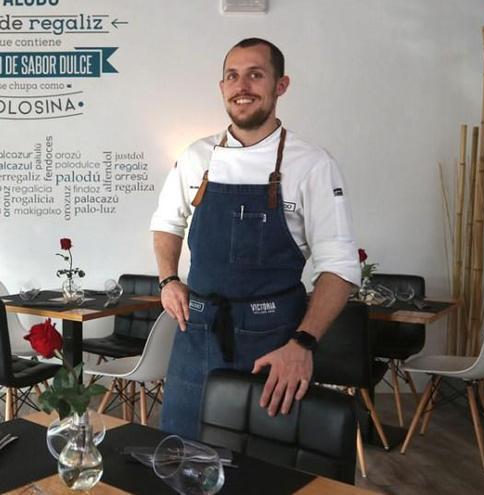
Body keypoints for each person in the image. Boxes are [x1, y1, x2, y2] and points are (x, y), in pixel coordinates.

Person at [151, 38, 358, 439]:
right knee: (181, 454)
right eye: (232, 75)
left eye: (255, 74)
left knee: (264, 467)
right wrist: (168, 279)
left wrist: (303, 344)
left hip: (275, 342)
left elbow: (340, 266)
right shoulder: (196, 156)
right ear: (222, 86)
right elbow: (166, 223)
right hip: (197, 334)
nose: (241, 85)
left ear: (281, 85)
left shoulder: (312, 164)